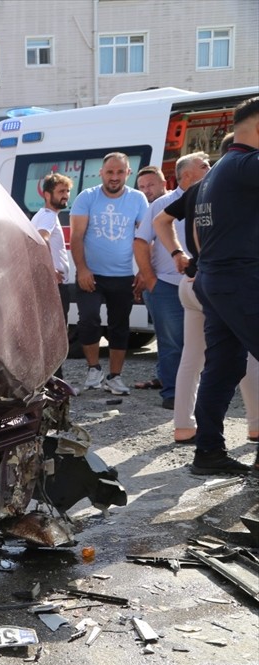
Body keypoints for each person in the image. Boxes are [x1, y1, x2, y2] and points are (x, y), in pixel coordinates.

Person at [154, 136, 258, 447]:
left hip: (194, 281)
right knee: (247, 357)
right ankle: (255, 426)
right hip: (219, 282)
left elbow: (162, 221)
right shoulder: (233, 190)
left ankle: (184, 426)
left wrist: (177, 255)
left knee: (192, 359)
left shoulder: (198, 191)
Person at [188, 96, 259, 475]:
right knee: (221, 367)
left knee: (223, 367)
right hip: (237, 280)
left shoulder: (217, 171)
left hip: (217, 280)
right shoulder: (246, 165)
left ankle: (208, 453)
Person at [69, 152, 150, 396]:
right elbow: (76, 236)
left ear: (128, 173)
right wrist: (82, 269)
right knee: (89, 320)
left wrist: (145, 271)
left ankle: (115, 377)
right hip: (91, 274)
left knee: (119, 326)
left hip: (122, 275)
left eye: (120, 172)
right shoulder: (87, 197)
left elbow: (144, 238)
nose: (114, 177)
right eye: (110, 172)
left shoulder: (138, 199)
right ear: (101, 173)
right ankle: (93, 369)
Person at [131, 164, 185, 407]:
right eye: (142, 187)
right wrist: (150, 279)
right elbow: (141, 243)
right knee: (170, 340)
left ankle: (176, 384)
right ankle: (172, 390)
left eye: (151, 184)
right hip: (164, 284)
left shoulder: (180, 201)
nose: (147, 190)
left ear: (165, 182)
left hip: (191, 283)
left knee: (185, 341)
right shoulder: (152, 207)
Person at [30, 173, 73, 381]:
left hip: (48, 284)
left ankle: (50, 381)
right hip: (53, 286)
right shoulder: (47, 216)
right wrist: (50, 270)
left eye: (67, 191)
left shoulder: (42, 215)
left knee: (48, 335)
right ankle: (56, 383)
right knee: (55, 336)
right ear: (47, 195)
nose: (66, 196)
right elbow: (41, 238)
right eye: (61, 192)